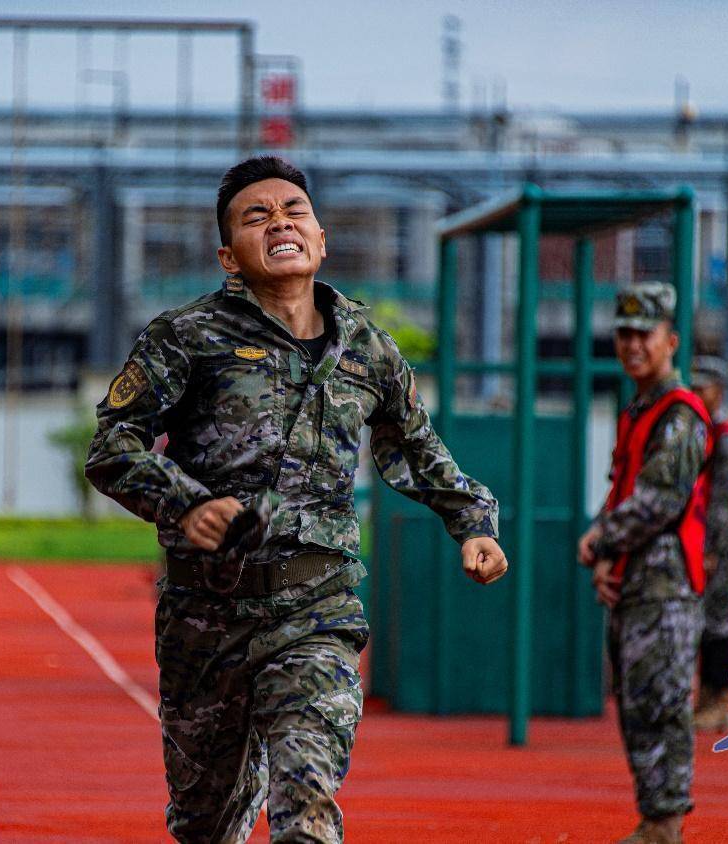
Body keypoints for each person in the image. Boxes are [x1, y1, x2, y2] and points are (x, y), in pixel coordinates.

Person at [85, 155, 507, 843]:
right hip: (206, 618)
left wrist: (472, 522)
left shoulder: (366, 346)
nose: (278, 221)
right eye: (256, 216)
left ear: (319, 239)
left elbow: (416, 445)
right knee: (205, 823)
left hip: (318, 610)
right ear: (229, 254)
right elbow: (112, 448)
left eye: (293, 211)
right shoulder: (186, 337)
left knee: (306, 807)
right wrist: (186, 504)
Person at [577, 282, 712, 844]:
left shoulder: (680, 415)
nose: (632, 345)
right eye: (624, 333)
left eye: (644, 334)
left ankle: (664, 822)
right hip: (638, 582)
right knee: (636, 704)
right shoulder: (641, 410)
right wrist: (610, 559)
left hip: (666, 587)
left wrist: (601, 539)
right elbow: (625, 486)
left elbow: (659, 500)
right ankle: (654, 817)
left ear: (671, 341)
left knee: (659, 702)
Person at [689, 355, 728, 733]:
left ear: (720, 392)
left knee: (716, 623)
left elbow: (721, 501)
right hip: (703, 540)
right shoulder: (704, 432)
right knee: (702, 624)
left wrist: (711, 549)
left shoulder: (725, 440)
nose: (698, 394)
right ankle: (705, 699)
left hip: (718, 544)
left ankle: (719, 702)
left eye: (704, 388)